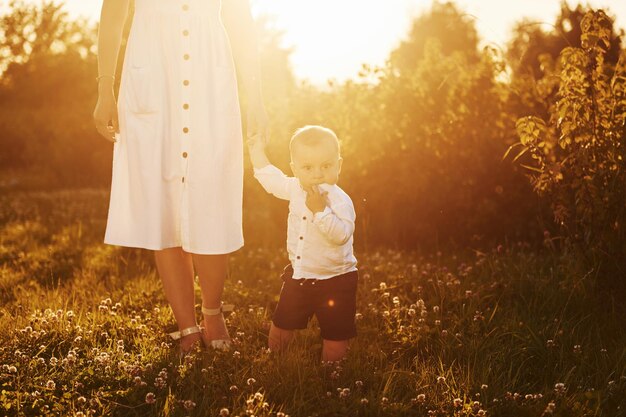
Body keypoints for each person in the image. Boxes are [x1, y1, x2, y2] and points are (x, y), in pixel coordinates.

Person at [92, 0, 268, 354]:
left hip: (211, 84)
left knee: (213, 200)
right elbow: (112, 18)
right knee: (164, 205)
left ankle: (213, 312)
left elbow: (242, 22)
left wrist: (257, 98)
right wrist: (104, 90)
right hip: (152, 81)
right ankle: (186, 324)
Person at [247, 126, 358, 362]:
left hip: (336, 279)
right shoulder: (296, 188)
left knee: (336, 335)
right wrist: (257, 152)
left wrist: (320, 212)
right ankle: (276, 360)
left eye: (326, 166)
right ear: (295, 169)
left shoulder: (339, 200)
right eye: (307, 167)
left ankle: (333, 373)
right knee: (282, 323)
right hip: (300, 275)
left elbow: (342, 235)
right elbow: (272, 180)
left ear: (339, 165)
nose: (317, 174)